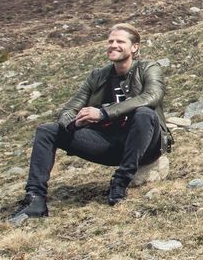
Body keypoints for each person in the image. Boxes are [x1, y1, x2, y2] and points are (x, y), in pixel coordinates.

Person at [10, 23, 172, 223]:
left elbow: (153, 95)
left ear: (134, 47)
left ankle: (120, 182)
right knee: (47, 130)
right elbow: (69, 109)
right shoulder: (98, 75)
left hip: (146, 144)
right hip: (110, 145)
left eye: (120, 41)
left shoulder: (148, 67)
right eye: (110, 41)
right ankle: (35, 199)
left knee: (144, 113)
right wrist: (74, 124)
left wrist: (104, 113)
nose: (113, 45)